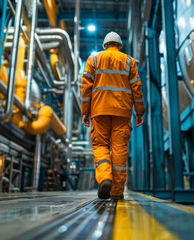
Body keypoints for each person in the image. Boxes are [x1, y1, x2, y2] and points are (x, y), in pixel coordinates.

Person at [81, 32, 145, 200]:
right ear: (119, 45)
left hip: (99, 110)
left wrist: (85, 111)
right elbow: (136, 89)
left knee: (100, 145)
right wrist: (139, 112)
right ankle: (117, 192)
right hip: (122, 112)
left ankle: (105, 178)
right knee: (119, 150)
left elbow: (86, 88)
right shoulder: (129, 61)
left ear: (105, 44)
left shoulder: (93, 60)